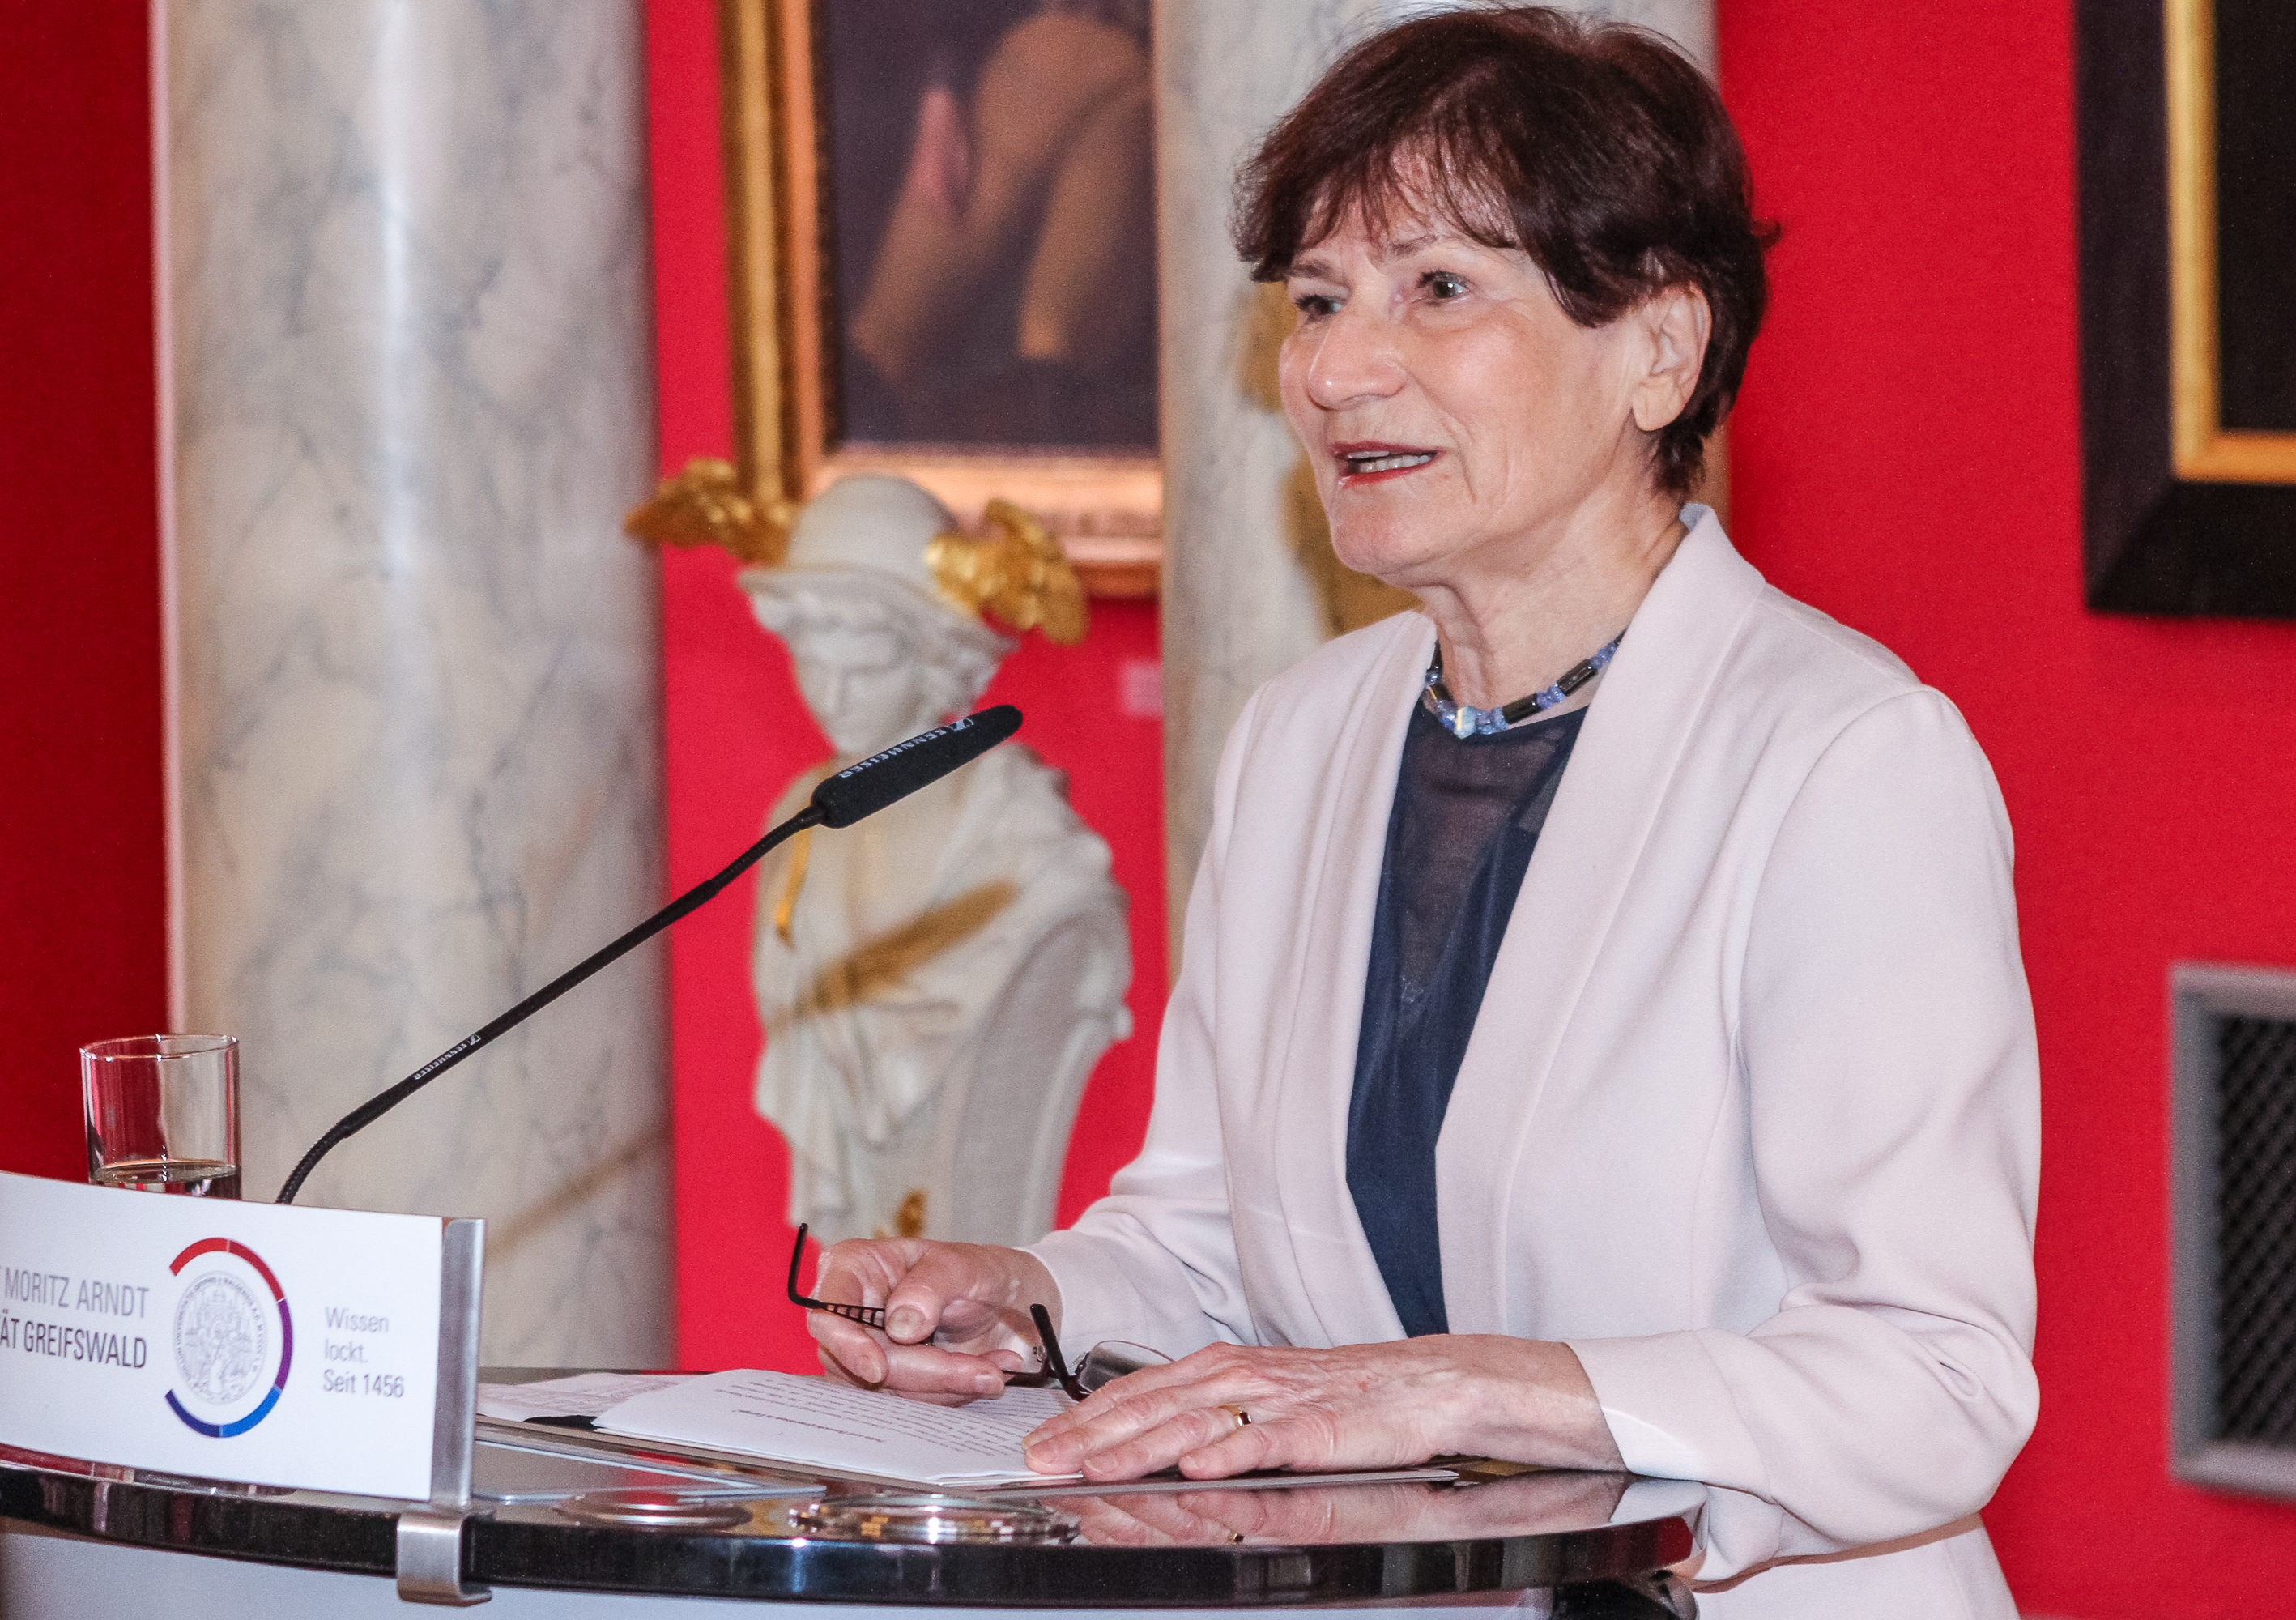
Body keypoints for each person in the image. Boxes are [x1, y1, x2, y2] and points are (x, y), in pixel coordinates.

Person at [801, 11, 2038, 1614]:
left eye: (1434, 290)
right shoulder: (1302, 739)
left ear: (1657, 349)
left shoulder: (1842, 758)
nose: (1327, 369)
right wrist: (1021, 1295)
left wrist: (1481, 1389)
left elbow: (1933, 1376)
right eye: (1315, 301)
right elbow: (1204, 1245)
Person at [742, 474, 1132, 1247]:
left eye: (865, 670)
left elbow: (1075, 927)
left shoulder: (1012, 825)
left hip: (971, 1203)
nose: (834, 696)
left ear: (934, 658)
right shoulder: (801, 813)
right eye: (813, 665)